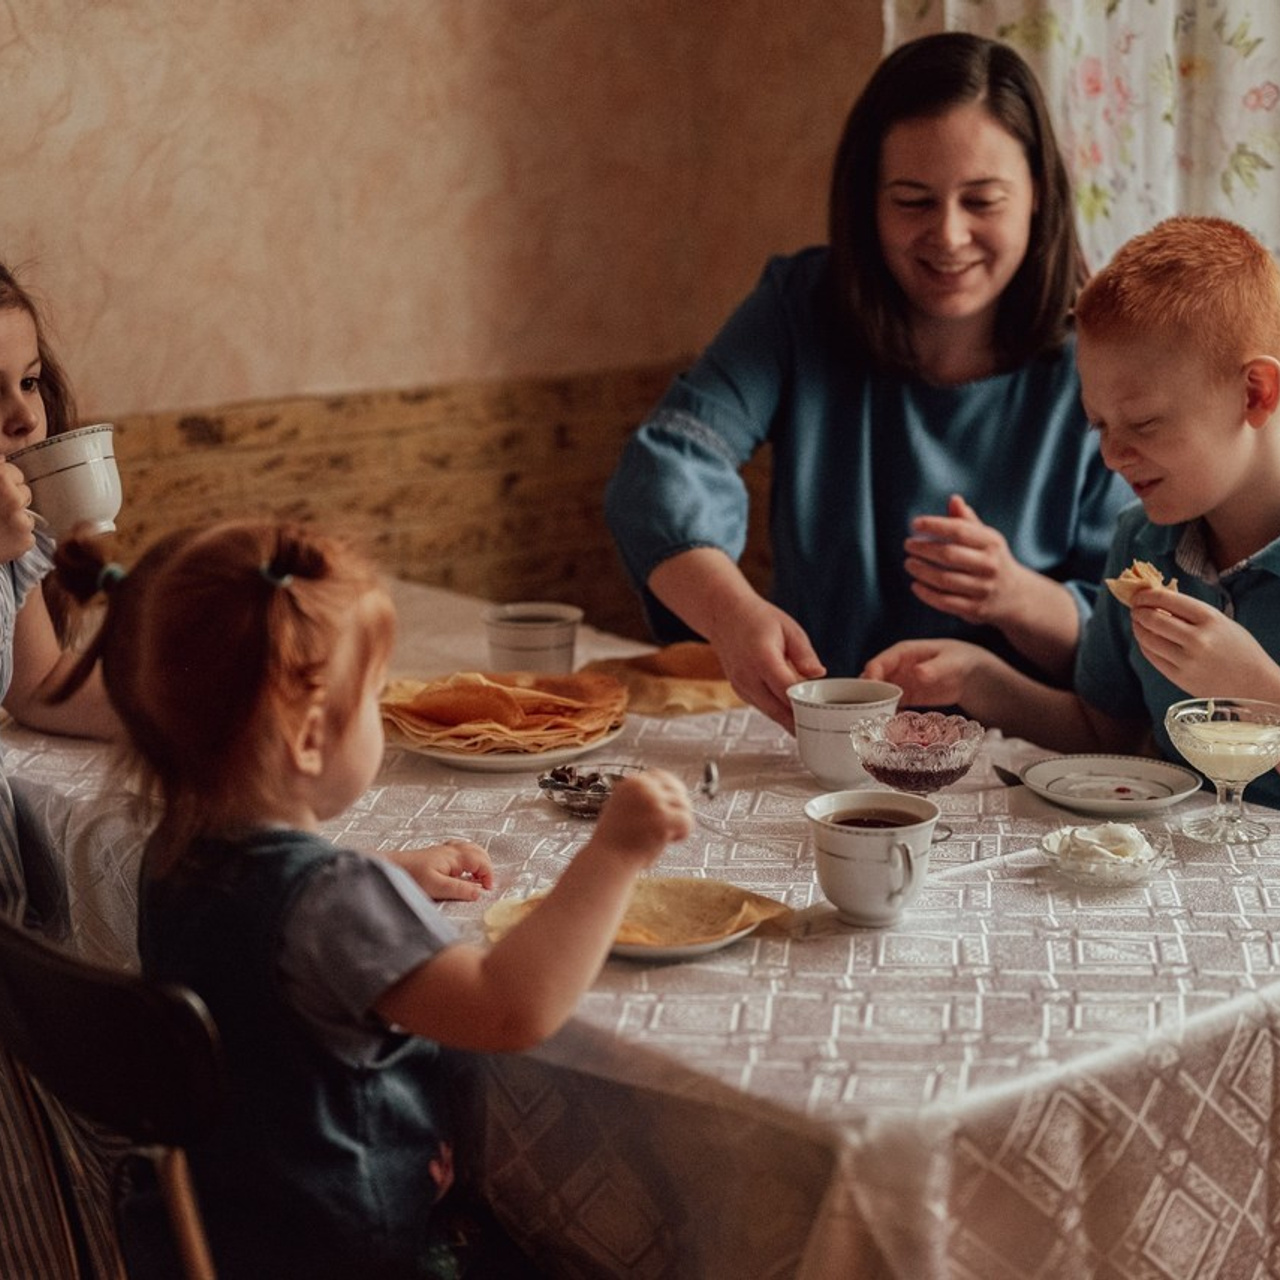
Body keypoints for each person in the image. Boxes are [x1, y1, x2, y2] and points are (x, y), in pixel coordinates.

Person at [50, 516, 693, 1279]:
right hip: (343, 1255)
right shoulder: (336, 903)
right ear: (310, 740)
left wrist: (379, 868)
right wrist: (613, 854)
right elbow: (509, 1006)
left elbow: (267, 908)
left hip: (214, 1237)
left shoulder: (173, 849)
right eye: (376, 697)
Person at [605, 32, 1129, 729]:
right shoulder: (801, 306)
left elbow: (1130, 644)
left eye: (983, 201)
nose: (947, 235)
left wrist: (1014, 594)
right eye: (912, 201)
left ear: (1038, 196)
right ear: (867, 204)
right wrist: (733, 615)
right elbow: (662, 472)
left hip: (1026, 768)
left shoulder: (1101, 355)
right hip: (819, 742)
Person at [864, 216, 1280, 806]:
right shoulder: (1143, 541)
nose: (1113, 455)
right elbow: (1103, 732)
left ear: (1255, 393)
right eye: (1099, 425)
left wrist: (1256, 691)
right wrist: (979, 678)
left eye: (1144, 424)